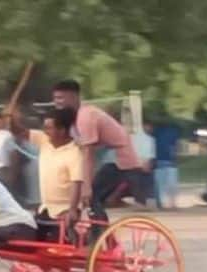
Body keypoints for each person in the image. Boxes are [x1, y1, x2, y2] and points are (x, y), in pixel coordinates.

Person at [51, 80, 143, 223]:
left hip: (118, 159)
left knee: (91, 196)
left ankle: (100, 237)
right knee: (86, 197)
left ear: (74, 97)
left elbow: (88, 154)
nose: (57, 102)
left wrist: (86, 186)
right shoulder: (72, 120)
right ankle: (100, 235)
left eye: (61, 98)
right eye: (55, 98)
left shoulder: (85, 116)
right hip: (104, 157)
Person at [13, 108, 84, 243]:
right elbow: (18, 131)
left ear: (62, 131)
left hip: (64, 210)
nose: (45, 131)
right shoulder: (44, 140)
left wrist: (73, 210)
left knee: (59, 247)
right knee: (32, 242)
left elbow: (77, 183)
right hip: (45, 208)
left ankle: (81, 238)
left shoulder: (75, 153)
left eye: (49, 128)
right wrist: (11, 117)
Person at [152, 118, 180, 210]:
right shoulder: (172, 130)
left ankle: (165, 203)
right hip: (166, 160)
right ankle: (170, 203)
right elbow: (175, 146)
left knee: (161, 183)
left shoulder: (156, 131)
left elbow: (175, 146)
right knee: (169, 183)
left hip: (162, 160)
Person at [132, 121, 157, 209]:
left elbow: (151, 153)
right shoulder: (136, 138)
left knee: (145, 184)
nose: (150, 129)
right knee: (142, 184)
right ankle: (142, 203)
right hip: (139, 162)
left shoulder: (150, 139)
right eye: (148, 126)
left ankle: (144, 203)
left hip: (141, 162)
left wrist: (148, 163)